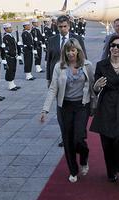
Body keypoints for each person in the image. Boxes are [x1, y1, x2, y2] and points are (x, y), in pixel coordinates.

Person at [40, 38, 94, 183]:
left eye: (73, 50)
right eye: (68, 50)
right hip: (64, 107)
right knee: (67, 139)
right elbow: (53, 88)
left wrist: (95, 105)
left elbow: (92, 87)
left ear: (78, 51)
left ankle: (84, 157)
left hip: (82, 105)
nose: (70, 53)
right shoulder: (59, 66)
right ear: (64, 52)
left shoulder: (87, 65)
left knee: (78, 138)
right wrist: (45, 110)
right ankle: (73, 170)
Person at [90, 35, 119, 184]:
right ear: (109, 48)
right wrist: (96, 86)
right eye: (113, 46)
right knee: (108, 142)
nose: (115, 48)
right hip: (106, 106)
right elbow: (96, 89)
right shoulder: (101, 65)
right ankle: (111, 171)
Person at [47, 15, 88, 147]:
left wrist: (85, 78)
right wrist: (48, 79)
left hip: (74, 79)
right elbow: (49, 61)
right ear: (57, 26)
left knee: (75, 108)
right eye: (60, 27)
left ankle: (78, 134)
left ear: (69, 26)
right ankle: (65, 137)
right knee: (61, 110)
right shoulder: (52, 40)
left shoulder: (77, 39)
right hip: (58, 79)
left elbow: (84, 58)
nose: (63, 29)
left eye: (65, 26)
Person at [0, 23, 21, 91]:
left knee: (13, 70)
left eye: (11, 27)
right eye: (9, 28)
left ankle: (13, 84)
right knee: (10, 70)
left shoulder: (11, 36)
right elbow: (6, 48)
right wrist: (4, 58)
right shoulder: (6, 37)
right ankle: (10, 85)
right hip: (9, 57)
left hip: (13, 56)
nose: (11, 29)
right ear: (6, 29)